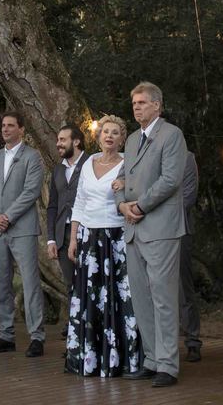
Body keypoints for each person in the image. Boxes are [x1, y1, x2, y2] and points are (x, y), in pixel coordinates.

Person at [64, 115, 142, 377]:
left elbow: (139, 191)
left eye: (115, 132)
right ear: (98, 138)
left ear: (122, 139)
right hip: (88, 238)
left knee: (119, 297)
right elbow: (79, 202)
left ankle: (122, 360)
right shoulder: (88, 163)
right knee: (90, 298)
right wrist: (73, 238)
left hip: (116, 237)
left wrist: (127, 184)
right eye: (105, 132)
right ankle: (90, 359)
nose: (109, 136)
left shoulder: (128, 163)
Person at [118, 82, 185, 387]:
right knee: (142, 299)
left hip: (160, 228)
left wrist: (140, 205)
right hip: (133, 229)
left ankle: (168, 366)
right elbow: (122, 178)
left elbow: (170, 179)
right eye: (134, 103)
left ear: (157, 105)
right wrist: (122, 205)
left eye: (142, 102)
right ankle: (151, 360)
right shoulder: (133, 139)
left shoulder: (172, 135)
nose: (137, 107)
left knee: (163, 298)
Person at [0, 111, 46, 357]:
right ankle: (5, 335)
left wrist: (7, 216)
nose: (5, 129)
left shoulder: (32, 157)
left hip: (22, 229)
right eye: (3, 125)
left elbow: (31, 192)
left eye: (10, 125)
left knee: (30, 283)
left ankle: (37, 337)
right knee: (2, 284)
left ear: (21, 129)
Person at [47, 124, 84, 337]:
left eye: (63, 139)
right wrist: (51, 239)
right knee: (70, 283)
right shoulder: (58, 170)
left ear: (76, 141)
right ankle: (74, 327)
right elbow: (52, 206)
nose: (58, 143)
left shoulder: (91, 163)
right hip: (62, 234)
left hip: (87, 232)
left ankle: (87, 327)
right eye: (58, 139)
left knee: (88, 281)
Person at [178, 147, 202, 362]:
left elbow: (189, 196)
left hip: (179, 230)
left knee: (183, 287)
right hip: (149, 231)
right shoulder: (146, 155)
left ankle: (192, 340)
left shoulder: (186, 158)